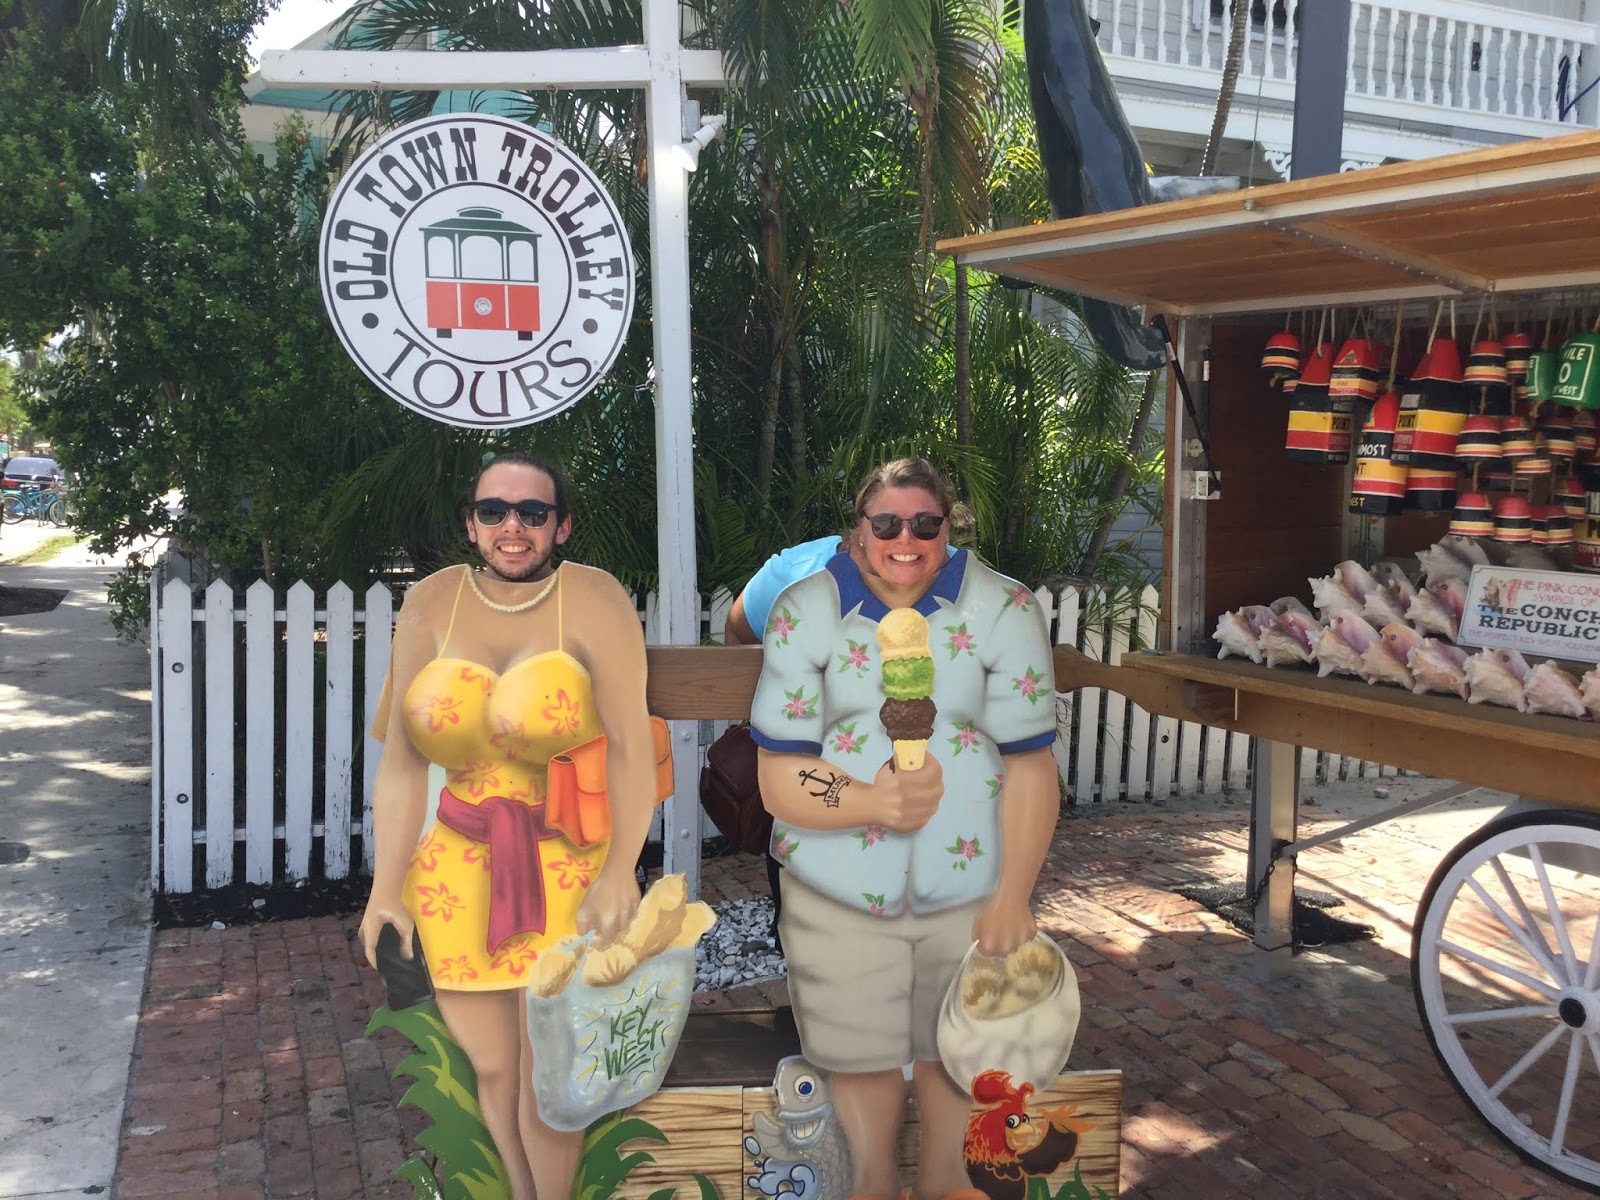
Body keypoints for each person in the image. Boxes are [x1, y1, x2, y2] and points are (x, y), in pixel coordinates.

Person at [749, 457, 1060, 1200]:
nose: (905, 540)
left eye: (925, 523)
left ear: (948, 528)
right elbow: (779, 774)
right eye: (886, 524)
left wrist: (1014, 894)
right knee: (857, 1049)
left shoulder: (1004, 609)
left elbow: (1030, 764)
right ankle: (874, 1183)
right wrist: (869, 802)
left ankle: (947, 1182)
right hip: (836, 883)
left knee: (957, 1047)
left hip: (971, 883)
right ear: (859, 532)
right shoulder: (804, 612)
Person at [358, 451, 658, 1200]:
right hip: (455, 873)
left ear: (562, 525)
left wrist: (620, 869)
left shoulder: (595, 598)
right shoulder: (431, 601)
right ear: (471, 523)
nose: (512, 526)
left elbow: (629, 746)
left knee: (548, 1070)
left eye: (533, 512)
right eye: (494, 511)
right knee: (493, 1067)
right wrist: (385, 890)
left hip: (565, 868)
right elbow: (402, 765)